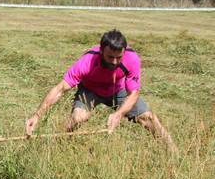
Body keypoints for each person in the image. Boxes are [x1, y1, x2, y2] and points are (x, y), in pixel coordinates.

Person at [25, 29, 176, 153]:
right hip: (90, 89)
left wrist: (119, 114)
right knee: (78, 118)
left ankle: (173, 152)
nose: (115, 62)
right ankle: (60, 145)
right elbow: (60, 89)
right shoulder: (87, 62)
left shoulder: (132, 59)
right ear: (101, 50)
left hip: (118, 90)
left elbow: (134, 94)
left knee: (148, 117)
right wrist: (36, 116)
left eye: (119, 57)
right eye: (110, 57)